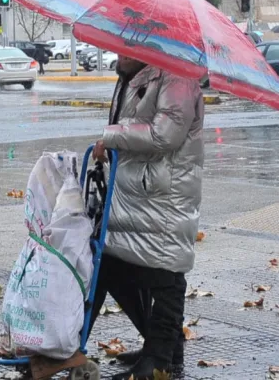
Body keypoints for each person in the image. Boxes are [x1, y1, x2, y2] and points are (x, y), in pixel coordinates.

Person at [90, 56, 204, 379]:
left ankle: (161, 358)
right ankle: (163, 343)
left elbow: (164, 135)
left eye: (126, 44)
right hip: (137, 195)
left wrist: (111, 137)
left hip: (165, 195)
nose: (117, 51)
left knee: (166, 274)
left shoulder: (178, 75)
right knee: (112, 265)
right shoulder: (135, 72)